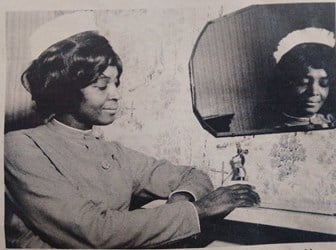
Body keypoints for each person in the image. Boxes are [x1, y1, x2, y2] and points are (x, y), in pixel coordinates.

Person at [4, 12, 260, 248]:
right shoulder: (20, 147)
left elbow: (192, 175)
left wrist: (181, 199)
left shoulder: (113, 153)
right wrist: (196, 211)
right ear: (65, 90)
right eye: (102, 86)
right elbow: (94, 231)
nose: (116, 95)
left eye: (116, 83)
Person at [259, 27, 336, 130]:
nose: (314, 91)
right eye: (304, 82)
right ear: (288, 82)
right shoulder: (273, 131)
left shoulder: (331, 122)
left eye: (323, 83)